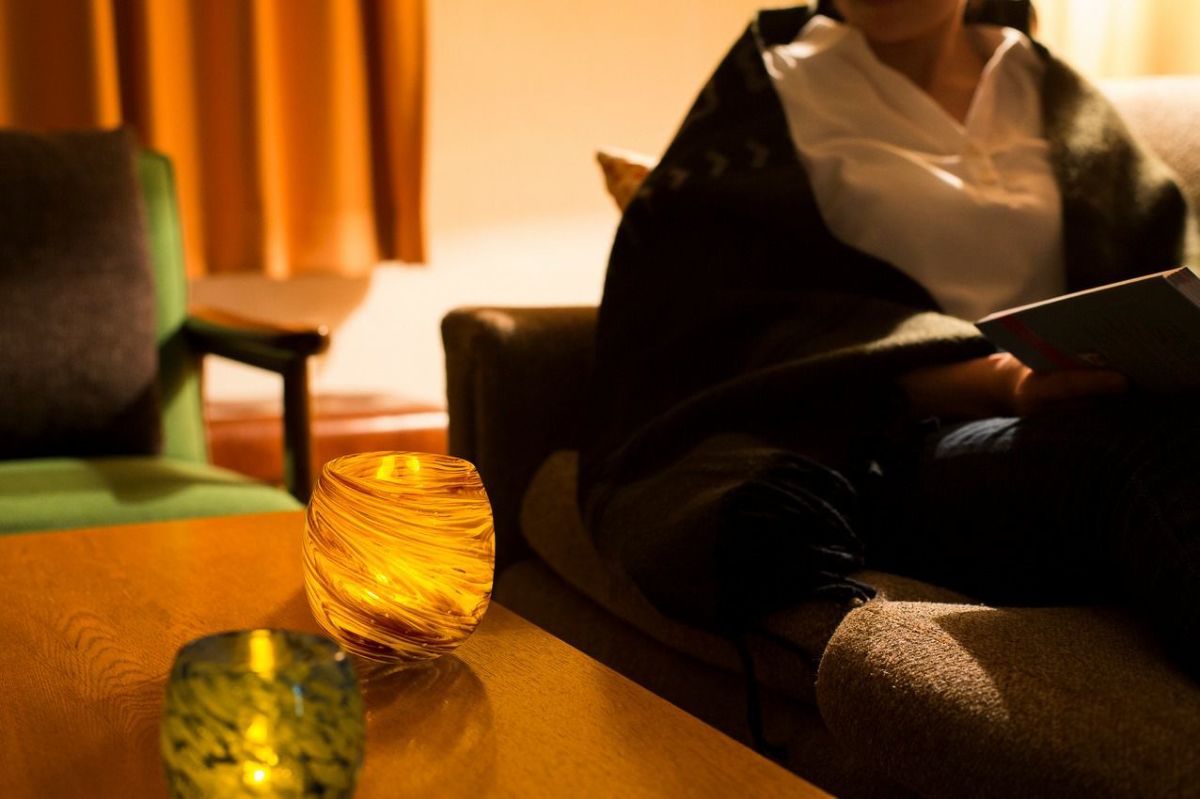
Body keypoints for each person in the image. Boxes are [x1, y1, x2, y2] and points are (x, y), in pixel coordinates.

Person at [578, 0, 1199, 678]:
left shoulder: (1043, 83)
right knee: (1135, 450)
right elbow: (710, 325)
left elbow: (1160, 256)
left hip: (1099, 392)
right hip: (897, 440)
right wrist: (995, 381)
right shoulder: (771, 88)